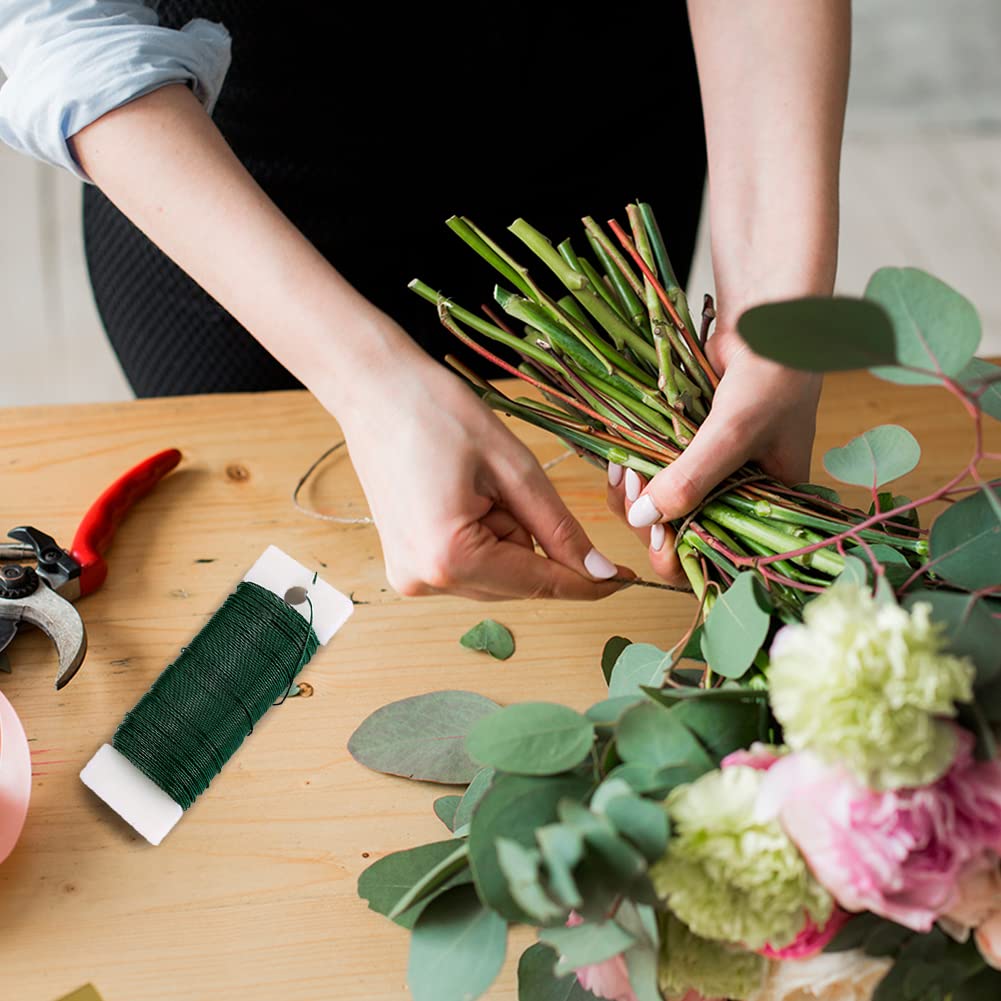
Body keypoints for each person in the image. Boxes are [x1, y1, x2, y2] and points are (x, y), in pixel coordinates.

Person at [0, 2, 850, 602]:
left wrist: (775, 301)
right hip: (229, 167)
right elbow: (51, 30)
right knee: (257, 570)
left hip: (601, 109)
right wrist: (365, 380)